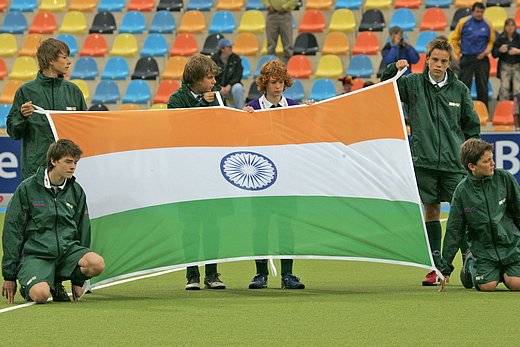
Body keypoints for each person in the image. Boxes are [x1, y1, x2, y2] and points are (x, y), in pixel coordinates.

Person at [381, 37, 481, 286]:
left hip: (453, 164)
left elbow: (472, 127)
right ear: (427, 60)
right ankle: (435, 268)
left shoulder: (460, 90)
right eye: (435, 59)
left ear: (449, 63)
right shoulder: (413, 84)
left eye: (444, 61)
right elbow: (386, 88)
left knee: (464, 213)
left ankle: (471, 261)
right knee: (431, 210)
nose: (438, 64)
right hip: (423, 161)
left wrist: (472, 159)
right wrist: (393, 69)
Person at [6, 38, 87, 302]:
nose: (69, 61)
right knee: (32, 228)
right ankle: (30, 277)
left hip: (63, 174)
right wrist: (21, 115)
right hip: (35, 171)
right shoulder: (26, 91)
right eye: (64, 57)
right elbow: (13, 131)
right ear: (51, 60)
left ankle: (58, 281)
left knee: (65, 225)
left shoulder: (73, 91)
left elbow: (85, 129)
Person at [2, 139, 105, 304]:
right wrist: (9, 275)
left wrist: (78, 281)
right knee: (41, 295)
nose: (73, 167)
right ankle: (34, 284)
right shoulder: (27, 188)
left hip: (67, 251)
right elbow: (12, 231)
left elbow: (82, 228)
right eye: (68, 162)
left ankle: (56, 282)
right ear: (53, 161)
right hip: (37, 253)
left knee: (96, 263)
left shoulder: (76, 190)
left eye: (75, 162)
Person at [243, 60, 306, 290]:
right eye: (273, 82)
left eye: (281, 82)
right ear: (264, 83)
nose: (278, 86)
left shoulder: (294, 106)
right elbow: (245, 142)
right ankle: (260, 274)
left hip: (288, 177)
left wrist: (310, 112)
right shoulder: (252, 108)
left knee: (286, 225)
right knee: (261, 225)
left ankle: (287, 274)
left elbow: (304, 137)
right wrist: (245, 121)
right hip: (260, 178)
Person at [167, 54, 226, 290]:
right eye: (209, 77)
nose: (213, 82)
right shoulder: (176, 99)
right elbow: (180, 127)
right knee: (191, 223)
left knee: (212, 223)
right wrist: (202, 104)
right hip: (186, 169)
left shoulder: (218, 97)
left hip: (211, 167)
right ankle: (191, 274)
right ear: (196, 78)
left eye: (213, 77)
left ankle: (212, 273)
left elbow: (223, 124)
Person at [439, 139, 520, 292]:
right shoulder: (462, 191)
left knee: (517, 285)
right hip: (484, 251)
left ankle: (504, 273)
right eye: (487, 161)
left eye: (492, 158)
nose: (493, 163)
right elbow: (454, 230)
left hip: (510, 246)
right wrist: (445, 268)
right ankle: (471, 263)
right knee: (486, 287)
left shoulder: (505, 179)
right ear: (472, 166)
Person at [451, 2, 495, 107]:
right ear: (472, 12)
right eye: (477, 11)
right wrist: (457, 54)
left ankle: (483, 111)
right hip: (467, 58)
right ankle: (461, 111)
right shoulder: (463, 22)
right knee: (464, 85)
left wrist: (485, 53)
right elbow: (454, 39)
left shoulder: (487, 23)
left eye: (481, 12)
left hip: (482, 59)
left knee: (482, 86)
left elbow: (491, 42)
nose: (479, 14)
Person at [211, 38, 245, 109]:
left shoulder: (236, 59)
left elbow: (238, 75)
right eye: (229, 47)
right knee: (210, 89)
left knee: (238, 87)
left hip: (231, 88)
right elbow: (211, 76)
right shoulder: (213, 60)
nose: (231, 48)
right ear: (222, 49)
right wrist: (219, 87)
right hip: (218, 88)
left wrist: (229, 85)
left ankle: (240, 110)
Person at [491, 18, 520, 101]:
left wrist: (517, 51)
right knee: (504, 89)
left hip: (517, 65)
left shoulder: (518, 37)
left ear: (515, 27)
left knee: (517, 90)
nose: (510, 27)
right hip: (505, 66)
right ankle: (504, 109)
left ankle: (517, 111)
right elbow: (494, 54)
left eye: (512, 25)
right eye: (508, 25)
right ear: (505, 27)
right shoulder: (500, 38)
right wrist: (500, 50)